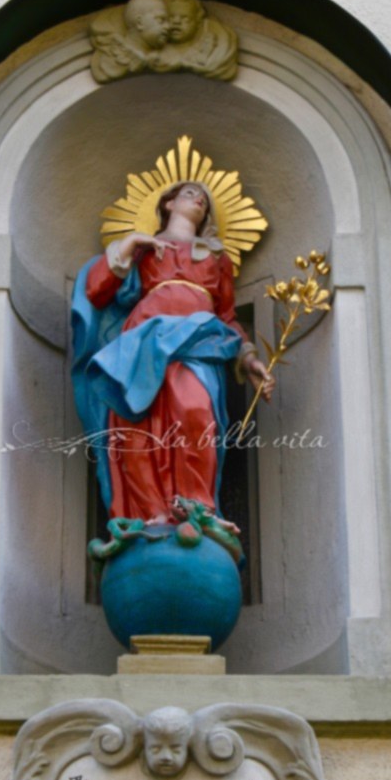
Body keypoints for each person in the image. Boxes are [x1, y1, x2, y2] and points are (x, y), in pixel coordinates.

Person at [71, 181, 273, 526]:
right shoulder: (144, 248)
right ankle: (150, 513)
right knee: (138, 424)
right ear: (168, 203)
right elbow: (96, 291)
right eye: (190, 193)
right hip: (146, 339)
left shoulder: (216, 257)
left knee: (195, 409)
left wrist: (249, 358)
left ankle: (198, 511)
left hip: (200, 341)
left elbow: (227, 317)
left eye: (204, 200)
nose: (199, 200)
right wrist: (131, 243)